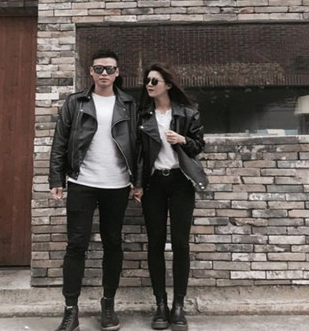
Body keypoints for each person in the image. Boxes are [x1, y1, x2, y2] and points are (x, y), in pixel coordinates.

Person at [49, 49, 143, 331]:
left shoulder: (129, 104)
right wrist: (56, 179)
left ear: (117, 73)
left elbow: (138, 146)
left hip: (117, 184)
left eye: (110, 69)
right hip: (82, 183)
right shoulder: (75, 102)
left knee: (113, 243)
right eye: (99, 68)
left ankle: (108, 305)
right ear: (90, 71)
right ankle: (70, 310)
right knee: (76, 244)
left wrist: (138, 181)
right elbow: (60, 141)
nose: (104, 74)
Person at [138, 64, 206, 331]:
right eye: (147, 80)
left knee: (180, 244)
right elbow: (138, 153)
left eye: (154, 81)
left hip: (180, 182)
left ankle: (178, 305)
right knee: (155, 243)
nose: (149, 84)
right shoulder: (143, 115)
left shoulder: (188, 113)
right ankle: (160, 304)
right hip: (154, 183)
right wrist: (138, 184)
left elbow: (199, 146)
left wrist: (182, 139)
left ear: (167, 85)